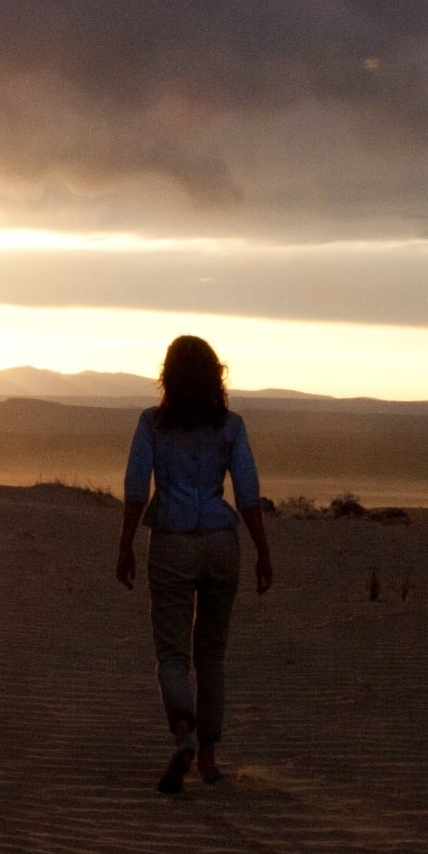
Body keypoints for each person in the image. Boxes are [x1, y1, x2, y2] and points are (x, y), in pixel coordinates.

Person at [113, 334, 271, 793]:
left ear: (169, 376)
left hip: (172, 542)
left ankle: (183, 730)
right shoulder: (232, 426)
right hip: (223, 542)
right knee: (213, 656)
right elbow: (248, 494)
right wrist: (263, 551)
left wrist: (125, 547)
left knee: (172, 653)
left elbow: (136, 490)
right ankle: (209, 759)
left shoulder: (152, 424)